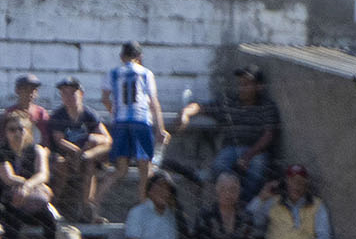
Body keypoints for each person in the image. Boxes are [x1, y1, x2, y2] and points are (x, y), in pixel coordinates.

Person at [174, 65, 280, 195]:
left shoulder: (267, 106)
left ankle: (245, 204)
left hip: (256, 150)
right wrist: (185, 113)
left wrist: (248, 155)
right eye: (240, 84)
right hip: (231, 148)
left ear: (259, 86)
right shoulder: (229, 102)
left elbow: (269, 134)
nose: (242, 88)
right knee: (219, 166)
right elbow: (200, 106)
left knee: (258, 169)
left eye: (246, 84)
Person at [98, 42, 168, 205]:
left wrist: (114, 112)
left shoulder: (113, 73)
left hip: (121, 123)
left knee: (120, 170)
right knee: (145, 170)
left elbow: (104, 98)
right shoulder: (146, 73)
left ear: (122, 57)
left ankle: (94, 201)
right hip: (141, 121)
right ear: (140, 57)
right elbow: (153, 102)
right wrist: (160, 128)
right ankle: (143, 205)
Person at [45, 77, 111, 223]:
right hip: (66, 156)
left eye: (72, 93)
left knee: (90, 160)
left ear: (81, 94)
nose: (69, 97)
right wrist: (78, 151)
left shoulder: (89, 114)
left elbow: (107, 138)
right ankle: (50, 206)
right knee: (61, 166)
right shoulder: (58, 115)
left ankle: (88, 210)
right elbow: (59, 140)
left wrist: (90, 144)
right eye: (64, 93)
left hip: (86, 157)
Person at [2, 109, 60, 239]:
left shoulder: (37, 150)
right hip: (8, 200)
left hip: (30, 200)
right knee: (11, 221)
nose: (17, 133)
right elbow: (8, 178)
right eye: (12, 129)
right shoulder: (2, 151)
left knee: (50, 219)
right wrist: (32, 184)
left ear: (28, 130)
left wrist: (27, 186)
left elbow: (43, 174)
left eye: (21, 129)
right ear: (6, 132)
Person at [9, 74, 50, 139]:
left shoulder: (41, 113)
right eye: (25, 89)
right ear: (17, 90)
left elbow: (45, 139)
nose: (29, 93)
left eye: (33, 90)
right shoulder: (10, 113)